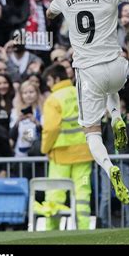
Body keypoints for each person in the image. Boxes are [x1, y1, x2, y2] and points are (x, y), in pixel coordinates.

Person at [46, 0, 129, 205]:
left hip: (88, 71)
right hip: (118, 68)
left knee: (91, 132)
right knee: (111, 87)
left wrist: (61, 11)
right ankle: (116, 117)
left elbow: (50, 14)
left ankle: (109, 168)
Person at [40, 64, 93, 230]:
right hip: (84, 151)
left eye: (49, 80)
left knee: (55, 194)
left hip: (61, 154)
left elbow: (51, 128)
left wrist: (45, 149)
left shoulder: (53, 99)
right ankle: (84, 230)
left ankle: (51, 231)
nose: (48, 84)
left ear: (56, 79)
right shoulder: (82, 93)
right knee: (83, 193)